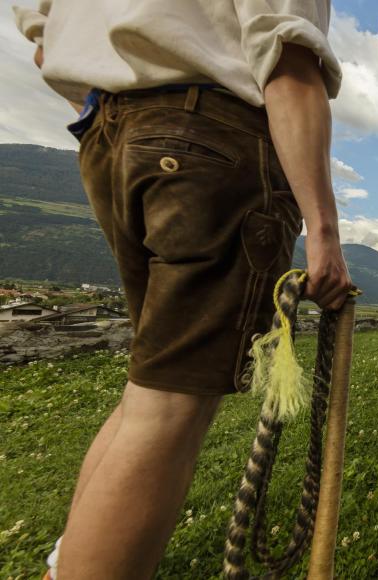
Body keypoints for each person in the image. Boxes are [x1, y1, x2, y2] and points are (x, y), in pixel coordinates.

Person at [13, 1, 352, 577]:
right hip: (210, 141)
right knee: (167, 410)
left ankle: (62, 566)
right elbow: (287, 55)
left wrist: (122, 107)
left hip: (109, 139)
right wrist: (323, 231)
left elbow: (43, 41)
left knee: (147, 391)